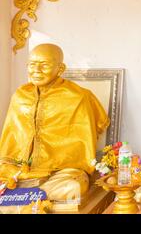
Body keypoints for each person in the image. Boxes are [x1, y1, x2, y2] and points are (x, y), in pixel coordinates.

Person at [0, 44, 109, 201]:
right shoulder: (20, 95)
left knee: (73, 185)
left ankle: (24, 195)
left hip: (60, 172)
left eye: (44, 64)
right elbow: (11, 138)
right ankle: (30, 193)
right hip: (17, 169)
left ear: (60, 68)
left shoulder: (79, 97)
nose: (36, 70)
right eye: (32, 64)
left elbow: (97, 126)